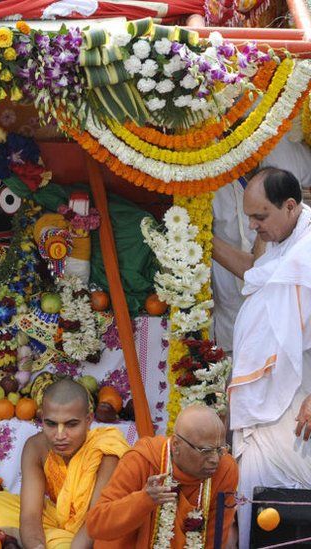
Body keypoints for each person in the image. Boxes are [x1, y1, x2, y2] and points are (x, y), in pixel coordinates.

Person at [211, 166, 311, 548]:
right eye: (249, 215)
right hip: (260, 402)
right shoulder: (283, 246)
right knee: (255, 499)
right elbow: (257, 274)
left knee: (293, 506)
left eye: (260, 216)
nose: (252, 226)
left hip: (297, 404)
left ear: (290, 206)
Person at [0, 379, 130, 548]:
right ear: (42, 419)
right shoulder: (36, 447)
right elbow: (30, 515)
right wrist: (37, 546)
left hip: (93, 531)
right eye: (51, 424)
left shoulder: (106, 450)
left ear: (88, 420)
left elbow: (95, 521)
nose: (60, 435)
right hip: (57, 519)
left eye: (71, 424)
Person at [86, 405, 238, 548]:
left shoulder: (225, 469)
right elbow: (96, 526)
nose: (215, 459)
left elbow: (215, 538)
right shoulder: (142, 460)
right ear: (176, 445)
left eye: (220, 449)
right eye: (205, 450)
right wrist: (143, 500)